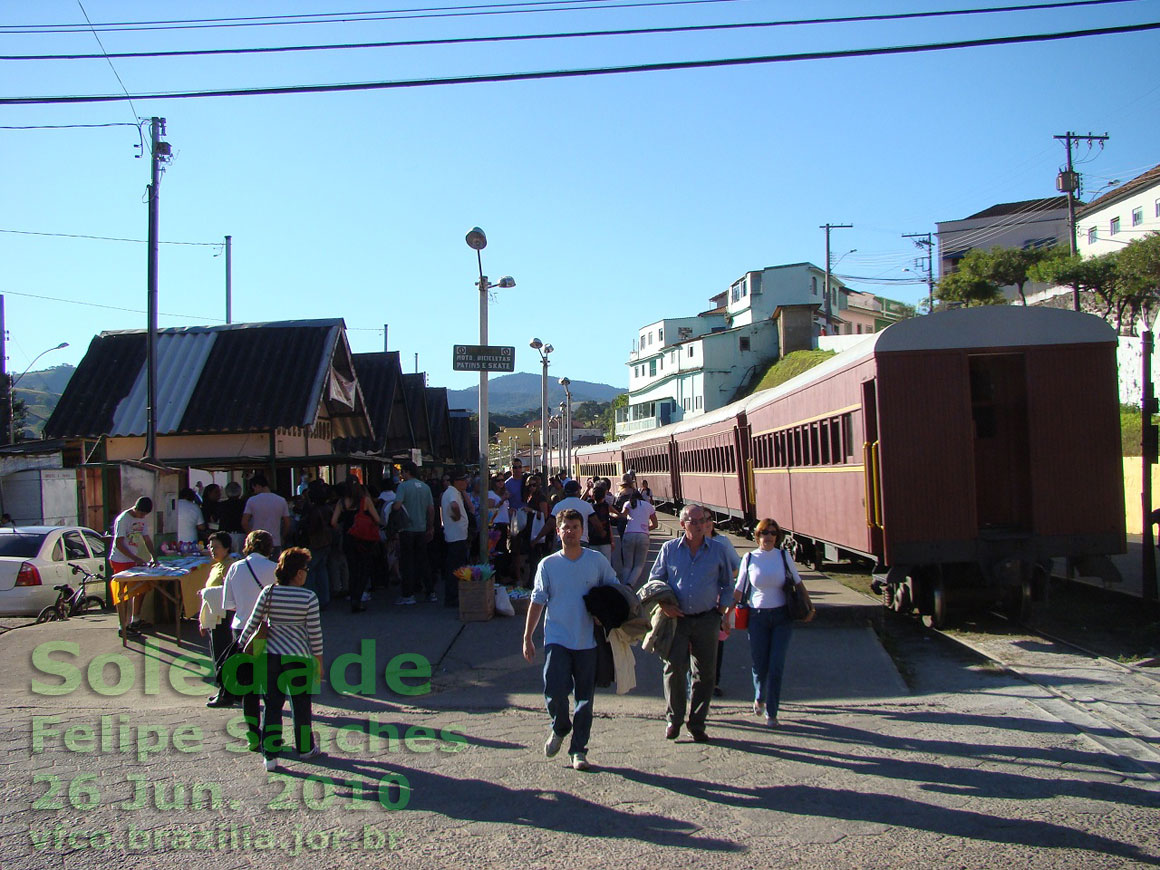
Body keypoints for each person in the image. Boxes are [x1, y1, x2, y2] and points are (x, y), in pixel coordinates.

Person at [522, 509, 621, 772]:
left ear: (582, 530)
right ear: (558, 531)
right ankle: (560, 726)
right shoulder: (549, 565)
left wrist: (605, 614)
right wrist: (527, 637)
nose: (571, 531)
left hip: (587, 641)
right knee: (554, 691)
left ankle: (579, 750)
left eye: (575, 527)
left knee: (585, 700)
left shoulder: (596, 561)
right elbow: (537, 601)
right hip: (557, 638)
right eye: (566, 527)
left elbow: (614, 588)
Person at [647, 504, 734, 743]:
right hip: (677, 619)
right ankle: (673, 719)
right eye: (692, 521)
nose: (698, 525)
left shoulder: (718, 550)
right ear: (682, 523)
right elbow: (654, 580)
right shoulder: (669, 549)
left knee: (705, 674)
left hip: (707, 618)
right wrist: (664, 605)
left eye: (702, 521)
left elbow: (728, 583)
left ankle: (697, 723)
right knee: (674, 669)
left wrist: (724, 611)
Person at [236, 547, 324, 772]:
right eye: (305, 568)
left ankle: (270, 755)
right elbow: (314, 633)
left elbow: (253, 622)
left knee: (273, 704)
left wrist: (241, 646)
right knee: (301, 704)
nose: (306, 572)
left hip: (271, 656)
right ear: (298, 573)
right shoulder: (309, 597)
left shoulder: (269, 592)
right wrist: (319, 661)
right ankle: (305, 748)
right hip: (299, 656)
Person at [734, 518, 808, 728]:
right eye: (764, 533)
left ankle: (772, 712)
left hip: (782, 617)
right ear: (757, 536)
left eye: (773, 533)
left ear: (777, 537)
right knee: (759, 664)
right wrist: (725, 611)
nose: (768, 537)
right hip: (757, 618)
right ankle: (759, 696)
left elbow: (798, 583)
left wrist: (809, 607)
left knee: (776, 665)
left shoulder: (783, 556)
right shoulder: (749, 558)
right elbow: (739, 589)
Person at [221, 530, 278, 744]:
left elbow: (229, 604)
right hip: (267, 631)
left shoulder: (235, 568)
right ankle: (271, 735)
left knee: (249, 687)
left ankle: (253, 733)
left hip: (242, 631)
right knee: (270, 686)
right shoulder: (275, 570)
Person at [331, 477, 382, 613]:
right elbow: (377, 519)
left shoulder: (341, 502)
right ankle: (358, 597)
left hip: (349, 537)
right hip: (364, 539)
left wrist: (342, 528)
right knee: (364, 568)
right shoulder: (365, 501)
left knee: (352, 569)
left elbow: (333, 522)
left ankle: (353, 596)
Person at [109, 497, 157, 639]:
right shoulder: (123, 519)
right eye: (140, 514)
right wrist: (135, 558)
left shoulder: (142, 520)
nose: (142, 517)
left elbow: (146, 538)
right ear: (135, 509)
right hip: (120, 560)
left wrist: (154, 557)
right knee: (123, 595)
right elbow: (119, 543)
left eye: (144, 515)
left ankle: (136, 619)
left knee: (140, 588)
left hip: (133, 560)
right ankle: (123, 625)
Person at [201, 531, 238, 707]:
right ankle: (225, 690)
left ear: (227, 548)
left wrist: (206, 593)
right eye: (210, 547)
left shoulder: (230, 566)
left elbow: (227, 592)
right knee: (218, 654)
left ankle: (226, 693)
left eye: (216, 547)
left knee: (223, 655)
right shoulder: (216, 565)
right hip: (214, 617)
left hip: (224, 617)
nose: (212, 550)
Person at [708, 520, 741, 697]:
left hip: (717, 606)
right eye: (698, 521)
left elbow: (737, 568)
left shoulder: (721, 544)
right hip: (693, 607)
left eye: (706, 520)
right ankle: (694, 686)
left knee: (716, 646)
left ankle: (713, 683)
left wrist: (726, 611)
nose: (703, 524)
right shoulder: (682, 546)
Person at [396, 460, 434, 606]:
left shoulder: (403, 487)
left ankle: (408, 594)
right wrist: (430, 526)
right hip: (422, 528)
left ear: (406, 472)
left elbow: (397, 505)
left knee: (407, 563)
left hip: (407, 529)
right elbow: (431, 509)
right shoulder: (425, 487)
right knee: (423, 561)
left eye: (402, 472)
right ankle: (430, 591)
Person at [616, 485, 658, 588]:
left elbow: (622, 516)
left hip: (629, 534)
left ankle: (625, 587)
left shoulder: (628, 504)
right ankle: (630, 585)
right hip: (643, 536)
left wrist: (612, 514)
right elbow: (655, 524)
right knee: (638, 565)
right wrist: (645, 529)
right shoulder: (648, 506)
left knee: (627, 565)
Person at [441, 472, 471, 608]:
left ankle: (454, 595)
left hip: (457, 536)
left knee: (456, 566)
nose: (466, 483)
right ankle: (452, 597)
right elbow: (454, 506)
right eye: (464, 480)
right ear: (457, 481)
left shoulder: (455, 492)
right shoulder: (452, 492)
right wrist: (458, 516)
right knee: (455, 568)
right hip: (456, 537)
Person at [242, 474, 291, 552]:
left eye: (253, 488)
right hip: (275, 541)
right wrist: (282, 536)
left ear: (257, 485)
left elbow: (244, 522)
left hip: (257, 542)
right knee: (274, 564)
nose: (254, 491)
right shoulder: (281, 500)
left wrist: (251, 537)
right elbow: (287, 523)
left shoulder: (252, 500)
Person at [550, 480, 596, 546]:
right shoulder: (586, 505)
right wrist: (603, 533)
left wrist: (538, 537)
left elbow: (550, 524)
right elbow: (595, 522)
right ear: (578, 491)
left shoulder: (558, 506)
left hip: (563, 540)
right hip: (582, 540)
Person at [505, 461, 526, 584]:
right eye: (514, 467)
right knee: (516, 549)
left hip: (527, 516)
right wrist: (509, 510)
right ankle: (518, 577)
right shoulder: (507, 484)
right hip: (514, 519)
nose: (517, 469)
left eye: (519, 467)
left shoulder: (526, 481)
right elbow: (504, 501)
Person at [586, 482, 614, 563]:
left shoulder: (589, 506)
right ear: (604, 495)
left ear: (593, 496)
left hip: (592, 539)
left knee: (594, 563)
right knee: (606, 563)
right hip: (605, 539)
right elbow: (613, 518)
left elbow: (579, 501)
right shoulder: (606, 506)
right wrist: (612, 539)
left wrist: (587, 489)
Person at [218, 481, 246, 554]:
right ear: (239, 492)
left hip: (225, 534)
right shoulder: (244, 504)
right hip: (241, 534)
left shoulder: (222, 505)